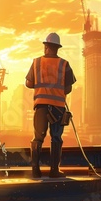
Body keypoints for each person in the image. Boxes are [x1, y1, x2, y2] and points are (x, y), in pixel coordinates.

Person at [25, 33, 76, 178]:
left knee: (38, 138)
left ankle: (35, 170)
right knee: (56, 138)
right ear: (57, 48)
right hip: (58, 107)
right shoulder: (64, 64)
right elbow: (68, 88)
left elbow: (28, 83)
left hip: (41, 107)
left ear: (46, 46)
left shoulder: (36, 63)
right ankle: (54, 171)